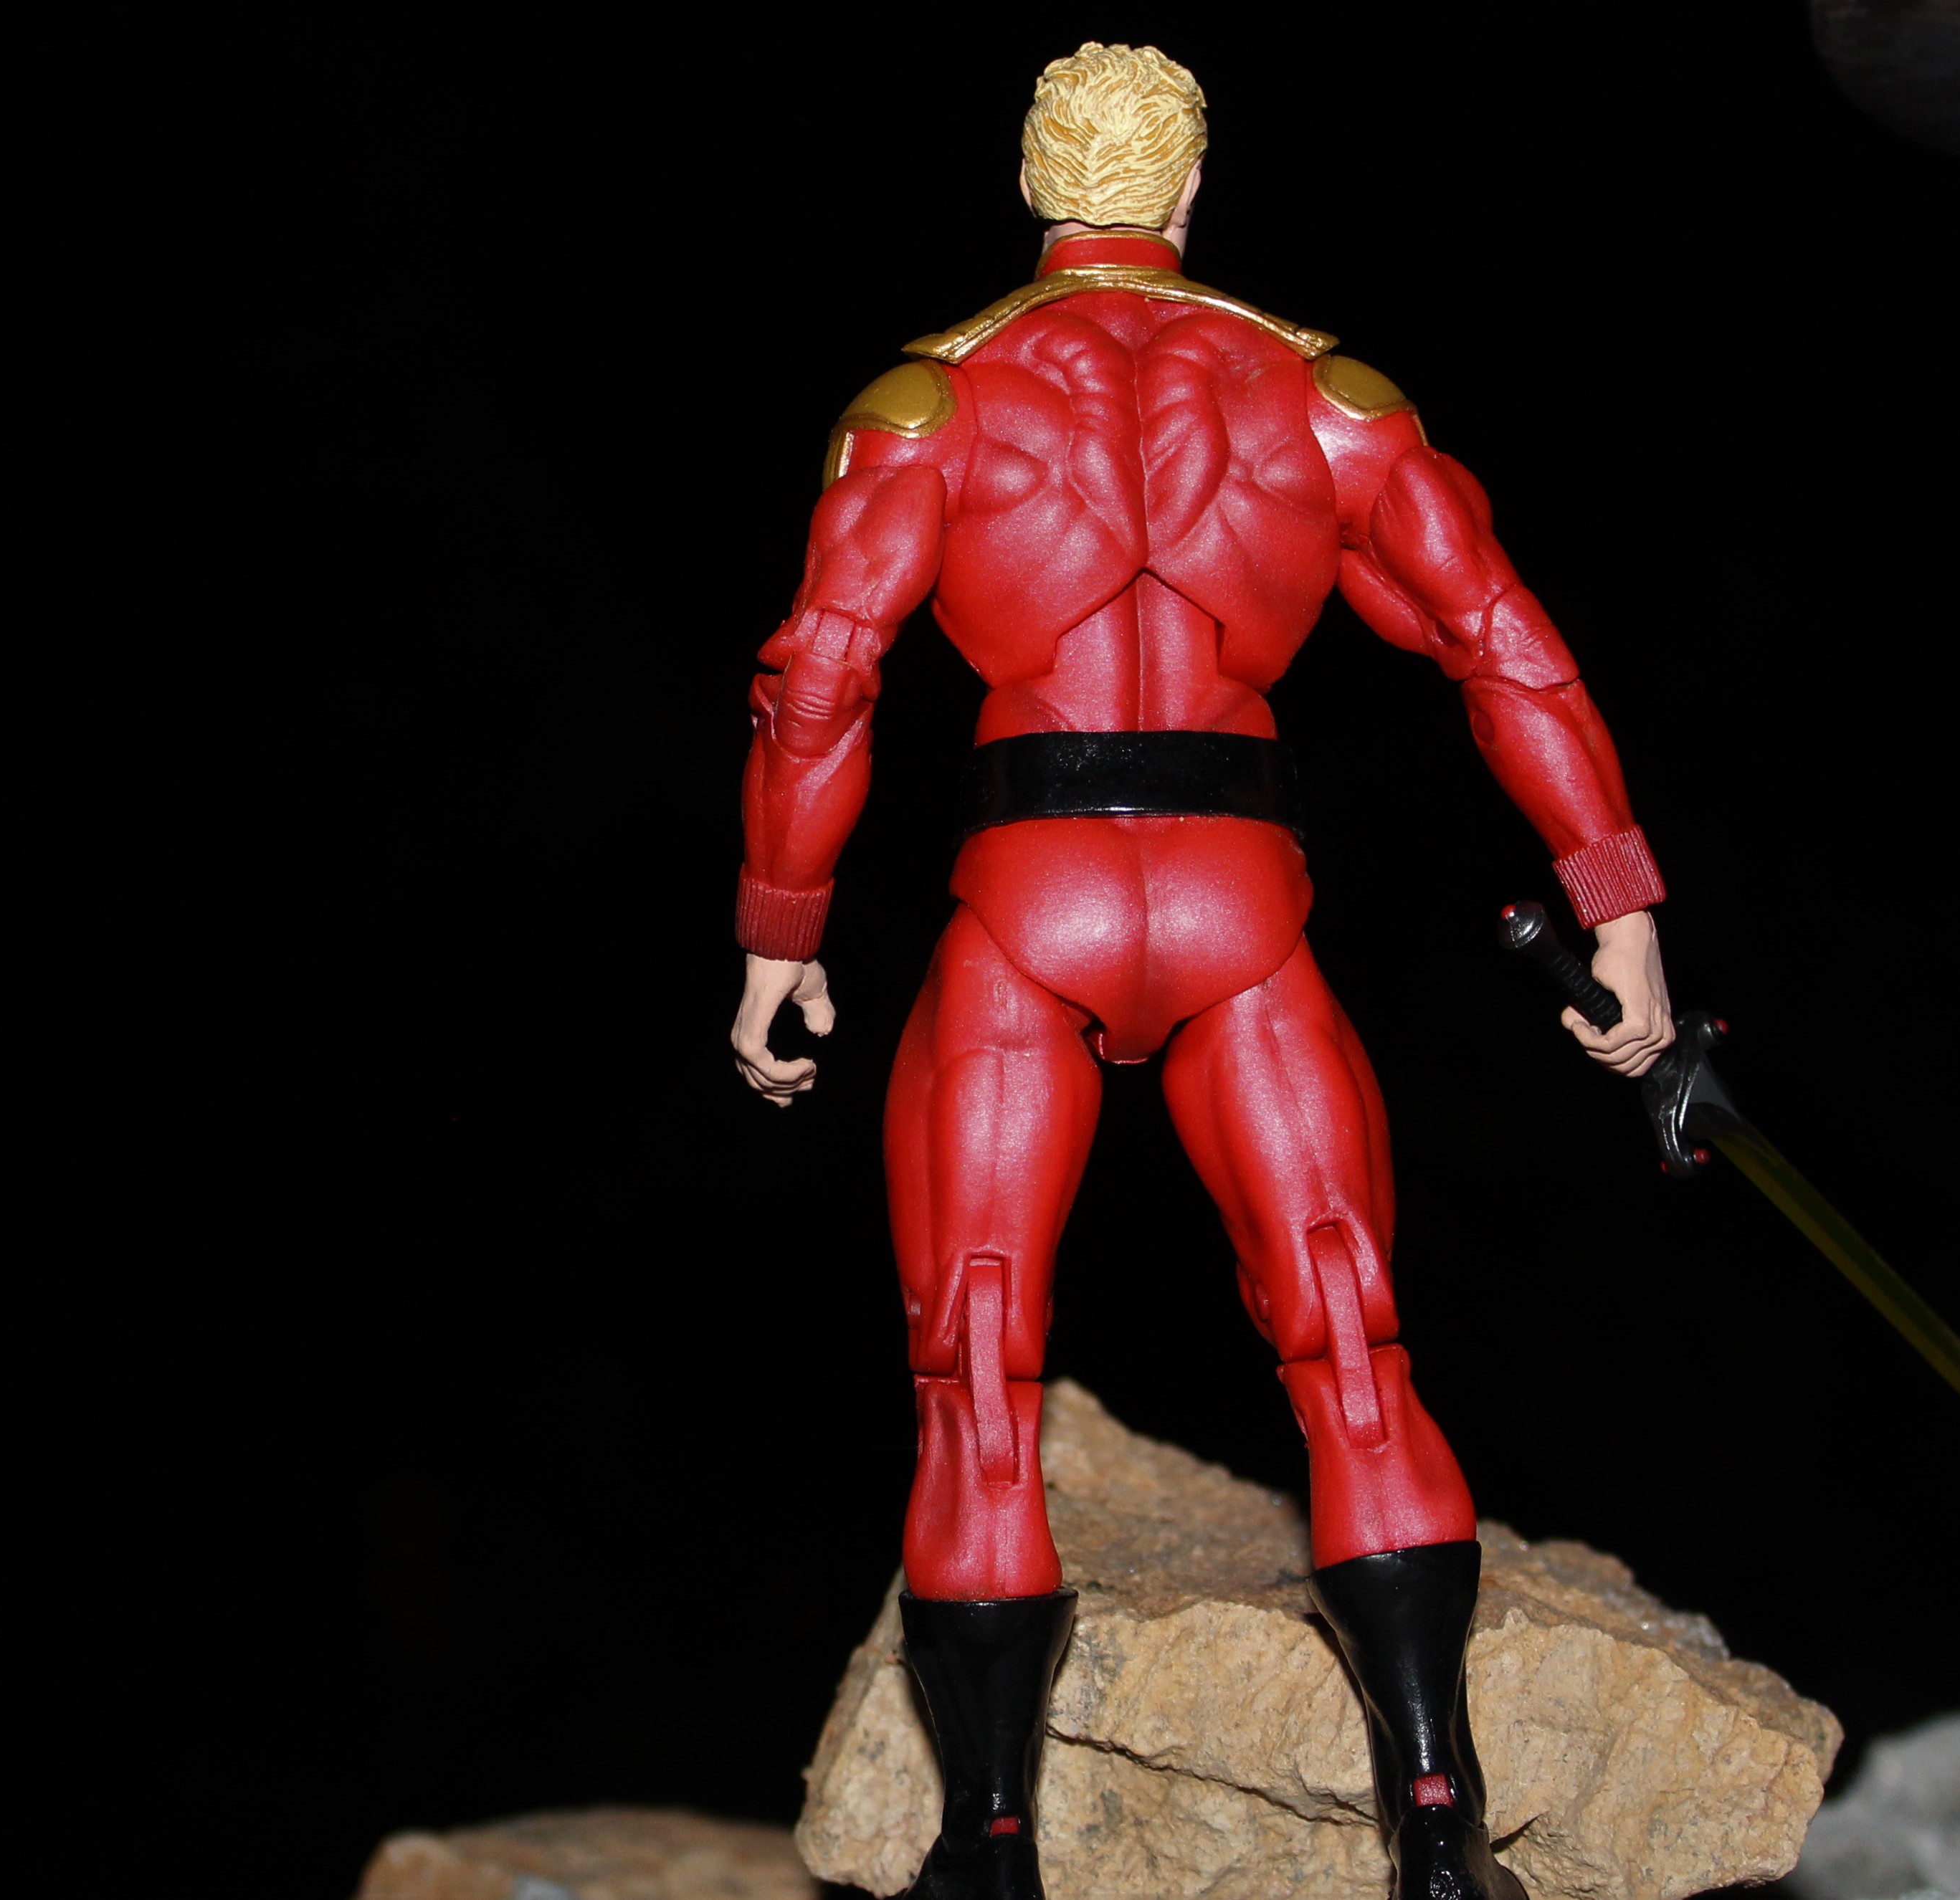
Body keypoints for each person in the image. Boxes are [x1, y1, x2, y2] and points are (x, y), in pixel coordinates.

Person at [728, 43, 1675, 1899]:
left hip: (1030, 893)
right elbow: (1498, 639)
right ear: (1187, 189)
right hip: (1243, 893)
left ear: (1034, 182)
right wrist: (1616, 893)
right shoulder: (1319, 395)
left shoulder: (935, 396)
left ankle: (989, 1845)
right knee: (1350, 1340)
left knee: (977, 1364)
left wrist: (780, 935)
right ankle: (1436, 1824)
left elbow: (820, 674)